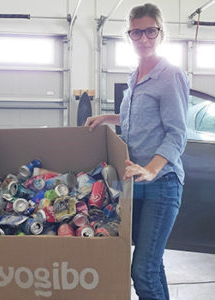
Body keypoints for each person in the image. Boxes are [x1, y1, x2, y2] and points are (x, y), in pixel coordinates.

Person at [85, 3, 189, 300]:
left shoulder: (170, 75)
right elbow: (137, 119)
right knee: (152, 267)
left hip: (162, 184)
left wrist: (151, 168)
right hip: (135, 184)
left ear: (160, 33)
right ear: (129, 36)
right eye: (136, 32)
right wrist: (107, 118)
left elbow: (177, 132)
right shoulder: (135, 78)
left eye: (150, 31)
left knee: (142, 271)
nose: (143, 38)